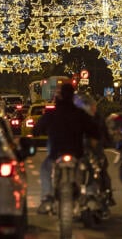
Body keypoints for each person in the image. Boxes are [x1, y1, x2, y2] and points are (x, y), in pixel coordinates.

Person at [32, 83, 100, 214]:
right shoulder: (80, 114)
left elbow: (36, 130)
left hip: (55, 154)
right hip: (77, 154)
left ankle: (47, 197)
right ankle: (91, 195)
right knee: (90, 168)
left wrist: (37, 133)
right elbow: (94, 131)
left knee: (45, 169)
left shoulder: (51, 114)